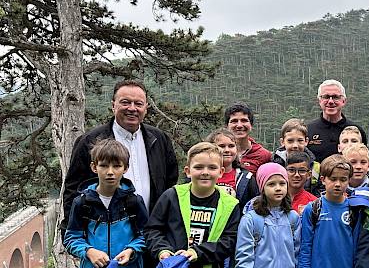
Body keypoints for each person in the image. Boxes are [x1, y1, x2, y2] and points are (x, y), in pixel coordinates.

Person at [63, 80, 178, 223]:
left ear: (146, 108)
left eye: (138, 104)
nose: (132, 108)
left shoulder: (159, 139)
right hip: (104, 234)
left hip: (152, 233)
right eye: (125, 102)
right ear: (113, 105)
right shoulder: (90, 141)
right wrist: (73, 236)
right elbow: (73, 190)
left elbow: (170, 185)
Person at [145, 142, 241, 268]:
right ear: (188, 171)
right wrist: (162, 250)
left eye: (212, 168)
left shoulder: (230, 205)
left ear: (221, 172)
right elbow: (152, 229)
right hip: (172, 264)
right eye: (198, 167)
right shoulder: (171, 196)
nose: (205, 172)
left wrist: (198, 252)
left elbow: (229, 240)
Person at [64, 139, 148, 268]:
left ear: (125, 168)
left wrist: (131, 250)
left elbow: (146, 235)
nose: (110, 172)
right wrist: (88, 251)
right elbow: (71, 238)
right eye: (103, 165)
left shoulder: (134, 201)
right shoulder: (82, 202)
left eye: (116, 166)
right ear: (94, 167)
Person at [298, 154, 369, 268]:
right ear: (323, 180)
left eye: (343, 179)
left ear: (348, 181)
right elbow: (305, 247)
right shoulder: (313, 209)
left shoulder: (354, 209)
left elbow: (358, 247)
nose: (337, 184)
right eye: (333, 179)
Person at [235, 163, 301, 268]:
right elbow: (244, 256)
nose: (278, 188)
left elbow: (297, 252)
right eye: (271, 184)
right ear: (262, 188)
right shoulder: (251, 219)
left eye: (282, 183)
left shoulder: (293, 217)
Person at [306, 79, 367, 162]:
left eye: (335, 97)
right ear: (319, 101)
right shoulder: (308, 130)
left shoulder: (357, 131)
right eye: (326, 97)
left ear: (344, 101)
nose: (330, 101)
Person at [206, 128, 259, 209]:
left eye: (231, 146)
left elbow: (254, 207)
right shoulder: (200, 175)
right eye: (222, 146)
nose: (227, 150)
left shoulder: (247, 178)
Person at [273, 119, 321, 195]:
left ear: (306, 141)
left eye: (300, 140)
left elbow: (318, 193)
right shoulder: (274, 165)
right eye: (290, 141)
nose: (295, 145)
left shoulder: (315, 168)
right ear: (282, 142)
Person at [225, 103, 272, 174]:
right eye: (234, 121)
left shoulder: (264, 156)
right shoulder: (218, 152)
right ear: (227, 126)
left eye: (244, 120)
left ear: (251, 125)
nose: (239, 125)